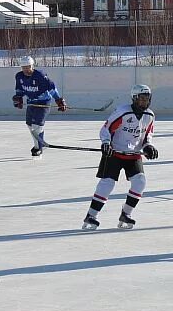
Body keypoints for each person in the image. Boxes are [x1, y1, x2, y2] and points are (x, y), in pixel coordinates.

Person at [81, 84, 158, 230]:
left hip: (133, 155)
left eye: (147, 99)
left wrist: (148, 146)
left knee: (140, 182)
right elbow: (106, 129)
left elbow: (147, 136)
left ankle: (126, 214)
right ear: (134, 99)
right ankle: (91, 215)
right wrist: (105, 143)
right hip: (114, 153)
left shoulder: (150, 116)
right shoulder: (123, 112)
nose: (144, 102)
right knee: (107, 184)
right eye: (141, 99)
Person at [12, 56, 67, 157]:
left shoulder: (40, 76)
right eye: (23, 67)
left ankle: (38, 147)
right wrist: (18, 98)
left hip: (43, 103)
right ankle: (40, 144)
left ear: (32, 66)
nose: (26, 69)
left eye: (28, 67)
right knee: (29, 125)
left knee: (37, 126)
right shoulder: (19, 76)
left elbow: (52, 88)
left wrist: (58, 100)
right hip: (31, 103)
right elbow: (19, 90)